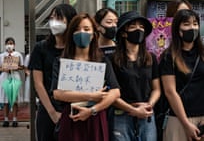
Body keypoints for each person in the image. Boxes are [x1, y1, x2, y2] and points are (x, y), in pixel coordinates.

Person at [51, 13, 120, 141]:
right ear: (71, 34)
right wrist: (90, 96)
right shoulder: (61, 61)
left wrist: (93, 110)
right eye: (76, 29)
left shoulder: (102, 61)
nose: (81, 33)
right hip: (72, 116)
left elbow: (115, 92)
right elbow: (57, 93)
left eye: (86, 29)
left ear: (94, 34)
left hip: (96, 118)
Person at [29, 3, 77, 141]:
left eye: (59, 18)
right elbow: (38, 83)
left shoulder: (77, 49)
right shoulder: (41, 48)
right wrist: (52, 113)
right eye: (52, 18)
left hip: (73, 109)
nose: (54, 22)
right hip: (48, 108)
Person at [110, 11, 161, 141]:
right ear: (123, 33)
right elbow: (110, 93)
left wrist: (149, 105)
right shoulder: (112, 59)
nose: (138, 30)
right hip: (121, 115)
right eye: (133, 27)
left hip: (147, 114)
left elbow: (156, 88)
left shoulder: (151, 58)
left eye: (141, 27)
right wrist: (132, 109)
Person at [159, 9, 204, 141]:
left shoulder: (202, 54)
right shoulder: (169, 57)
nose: (192, 28)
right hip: (178, 120)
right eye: (186, 24)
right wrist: (186, 123)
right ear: (178, 29)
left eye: (195, 24)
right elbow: (170, 92)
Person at [0, 37, 24, 127]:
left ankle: (15, 119)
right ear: (5, 44)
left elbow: (22, 66)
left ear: (14, 45)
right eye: (8, 43)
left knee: (14, 99)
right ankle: (6, 119)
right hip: (5, 76)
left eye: (11, 43)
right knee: (6, 100)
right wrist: (3, 69)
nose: (10, 45)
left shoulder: (18, 54)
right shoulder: (2, 55)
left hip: (15, 76)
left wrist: (16, 67)